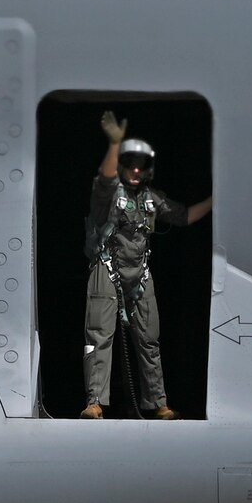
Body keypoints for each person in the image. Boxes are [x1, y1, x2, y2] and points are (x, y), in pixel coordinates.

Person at [81, 109, 211, 420]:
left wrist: (219, 199)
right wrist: (115, 144)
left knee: (149, 341)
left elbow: (185, 216)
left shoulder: (151, 199)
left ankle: (158, 403)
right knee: (99, 337)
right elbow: (106, 179)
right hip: (107, 269)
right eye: (130, 165)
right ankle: (95, 402)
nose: (136, 171)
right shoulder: (108, 196)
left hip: (140, 274)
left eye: (141, 167)